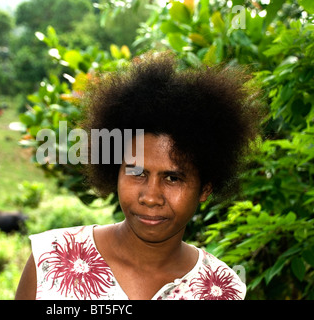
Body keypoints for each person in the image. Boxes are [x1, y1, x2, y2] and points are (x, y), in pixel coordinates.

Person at [15, 52, 263, 300]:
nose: (151, 197)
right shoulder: (51, 259)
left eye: (173, 178)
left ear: (205, 189)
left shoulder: (222, 290)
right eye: (136, 172)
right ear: (115, 170)